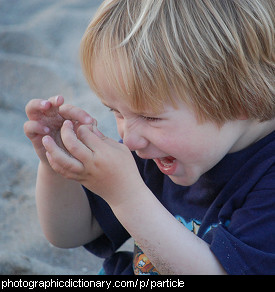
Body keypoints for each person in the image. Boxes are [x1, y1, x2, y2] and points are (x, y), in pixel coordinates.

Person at [24, 0, 275, 275]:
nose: (129, 140)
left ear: (240, 100)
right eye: (116, 112)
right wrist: (57, 165)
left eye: (150, 117)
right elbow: (68, 235)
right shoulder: (153, 152)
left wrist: (127, 198)